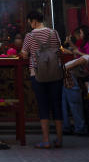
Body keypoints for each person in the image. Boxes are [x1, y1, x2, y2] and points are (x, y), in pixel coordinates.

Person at [20, 10, 64, 149]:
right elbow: (59, 49)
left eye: (30, 22)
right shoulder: (53, 33)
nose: (30, 25)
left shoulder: (29, 36)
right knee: (57, 105)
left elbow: (25, 54)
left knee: (43, 105)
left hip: (37, 73)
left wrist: (24, 53)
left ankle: (46, 140)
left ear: (34, 21)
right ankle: (59, 139)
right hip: (55, 73)